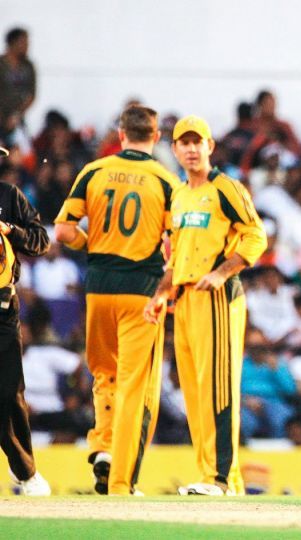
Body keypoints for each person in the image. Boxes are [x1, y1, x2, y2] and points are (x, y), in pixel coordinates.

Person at [54, 105, 180, 495]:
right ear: (155, 136)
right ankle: (122, 478)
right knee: (133, 384)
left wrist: (94, 245)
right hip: (140, 289)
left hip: (98, 287)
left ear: (120, 134)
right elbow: (176, 243)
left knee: (104, 374)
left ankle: (102, 446)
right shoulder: (165, 180)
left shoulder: (93, 171)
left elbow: (62, 231)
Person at [144, 115, 267, 496]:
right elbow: (176, 255)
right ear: (175, 148)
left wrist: (223, 272)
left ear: (210, 147)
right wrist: (162, 293)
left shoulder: (226, 188)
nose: (192, 149)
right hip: (185, 301)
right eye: (185, 142)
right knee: (195, 389)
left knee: (218, 388)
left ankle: (223, 478)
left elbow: (255, 236)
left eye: (199, 142)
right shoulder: (179, 195)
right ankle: (207, 473)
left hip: (218, 299)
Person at [0, 143, 51, 495]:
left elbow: (41, 240)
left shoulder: (9, 196)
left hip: (3, 307)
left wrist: (11, 231)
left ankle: (26, 473)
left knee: (8, 394)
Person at [0, 28, 36, 138]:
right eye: (23, 42)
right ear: (13, 43)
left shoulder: (28, 66)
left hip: (16, 120)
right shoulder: (2, 65)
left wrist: (17, 114)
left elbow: (31, 94)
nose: (27, 46)